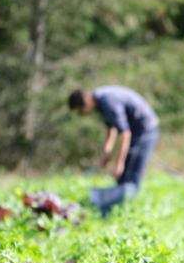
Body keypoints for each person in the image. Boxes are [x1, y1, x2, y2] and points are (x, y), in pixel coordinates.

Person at [68, 85, 160, 214]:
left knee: (130, 174)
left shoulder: (108, 102)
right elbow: (111, 128)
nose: (82, 115)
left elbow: (125, 134)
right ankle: (117, 209)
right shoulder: (99, 104)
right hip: (135, 131)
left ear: (86, 101)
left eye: (80, 112)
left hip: (145, 130)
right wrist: (106, 152)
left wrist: (119, 163)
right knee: (122, 177)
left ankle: (127, 212)